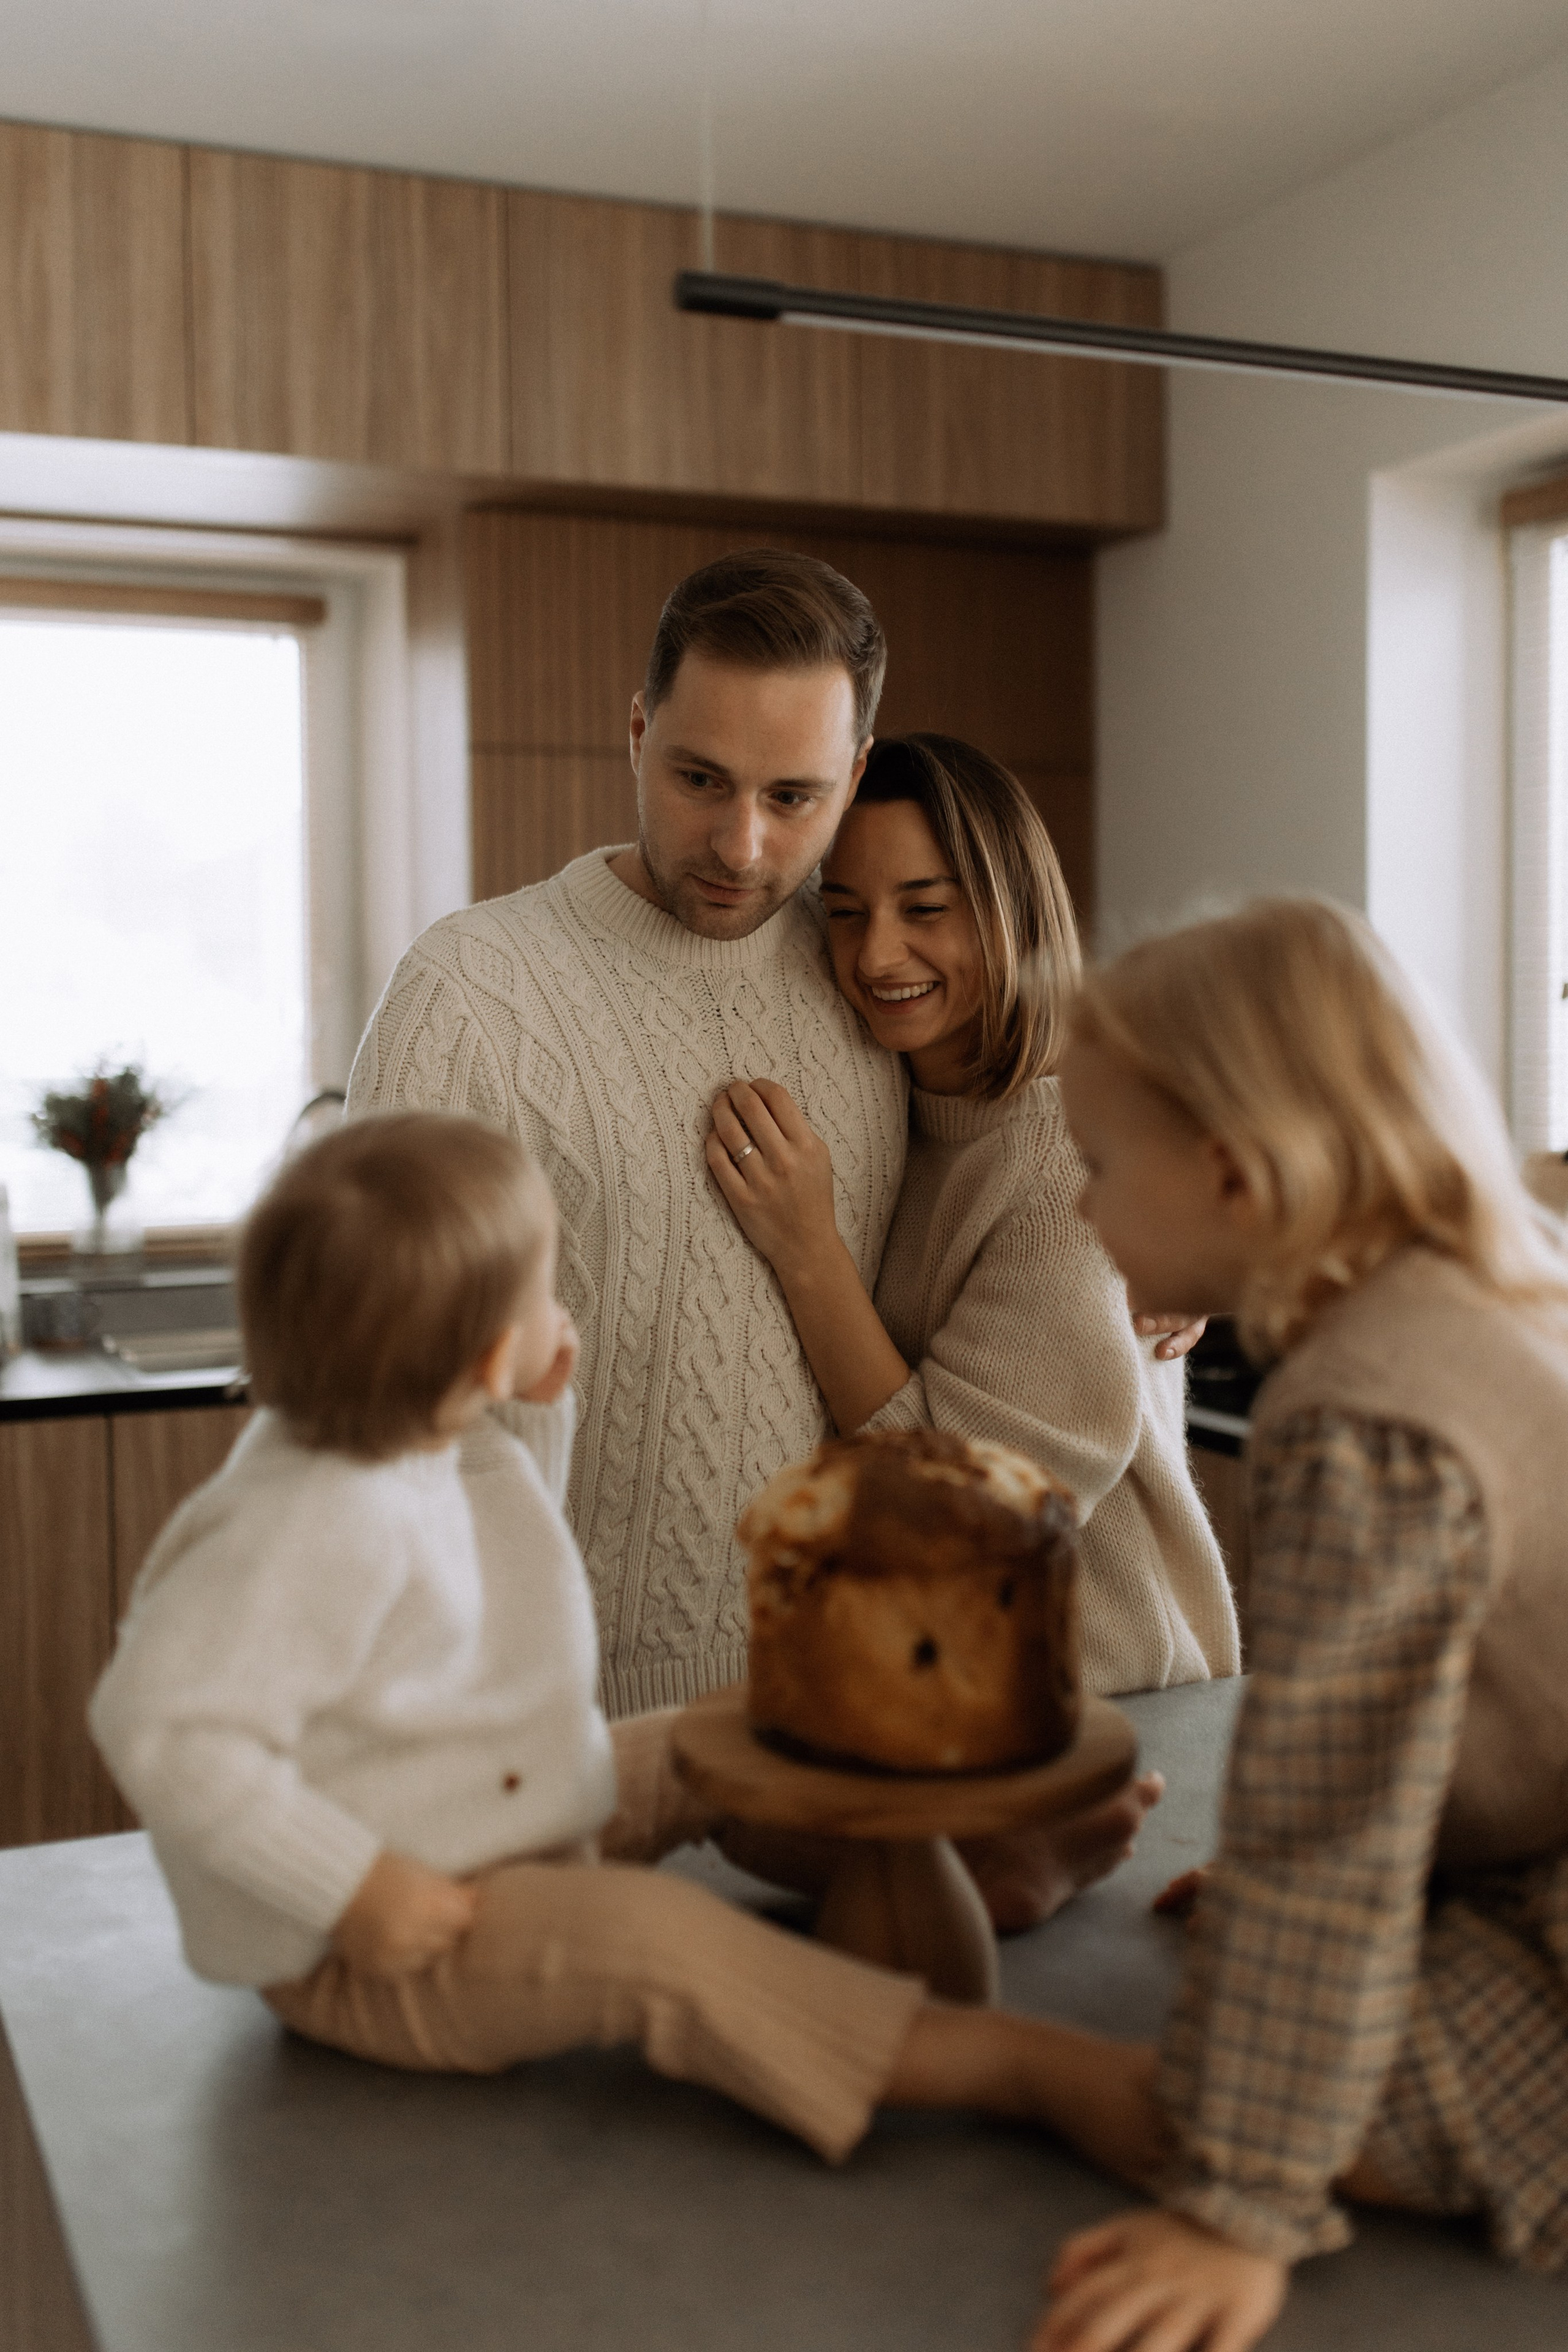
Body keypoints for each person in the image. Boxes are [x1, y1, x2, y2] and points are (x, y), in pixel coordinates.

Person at [87, 1112, 1142, 2168]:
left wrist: (538, 1409)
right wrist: (353, 1889)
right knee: (657, 1942)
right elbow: (164, 1732)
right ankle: (1006, 2064)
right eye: (544, 1291)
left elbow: (497, 1573)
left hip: (485, 1819)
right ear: (489, 1354)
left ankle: (965, 1857)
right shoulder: (306, 1520)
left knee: (719, 1744)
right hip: (379, 1947)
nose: (561, 1310)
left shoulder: (402, 1430)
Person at [1003, 898, 1568, 2352]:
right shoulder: (1500, 1289)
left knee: (1241, 2086)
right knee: (1289, 1994)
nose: (1080, 1207)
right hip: (1527, 1855)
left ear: (1233, 1175)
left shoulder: (1364, 1419)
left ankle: (989, 2064)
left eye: (1098, 1164)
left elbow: (1330, 1830)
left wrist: (1238, 2204)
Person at [347, 550, 905, 1721]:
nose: (741, 845)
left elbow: (1020, 1155)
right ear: (638, 731)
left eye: (793, 798)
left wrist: (1133, 1273)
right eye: (701, 779)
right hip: (547, 1721)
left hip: (849, 1699)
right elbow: (362, 1401)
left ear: (855, 774)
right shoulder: (470, 994)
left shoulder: (880, 976)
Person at [705, 735, 1238, 1697]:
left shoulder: (1065, 1164)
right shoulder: (898, 1115)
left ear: (1009, 908)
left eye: (925, 909)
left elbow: (957, 1513)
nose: (877, 955)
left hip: (1110, 1698)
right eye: (846, 912)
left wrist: (807, 1250)